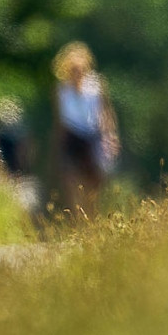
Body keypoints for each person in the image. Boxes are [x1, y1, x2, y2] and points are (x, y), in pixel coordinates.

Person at [51, 41, 119, 217]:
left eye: (80, 69)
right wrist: (58, 146)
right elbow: (60, 120)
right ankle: (78, 219)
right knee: (71, 180)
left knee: (95, 182)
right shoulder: (61, 90)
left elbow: (106, 111)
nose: (77, 74)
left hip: (93, 135)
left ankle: (92, 217)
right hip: (72, 136)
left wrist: (111, 135)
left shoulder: (97, 86)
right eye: (73, 70)